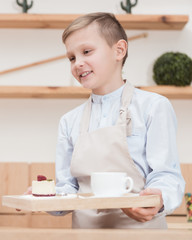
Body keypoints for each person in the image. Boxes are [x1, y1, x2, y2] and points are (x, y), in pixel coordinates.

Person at [52, 12, 185, 228]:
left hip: (142, 232)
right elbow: (67, 189)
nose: (78, 63)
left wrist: (157, 199)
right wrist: (44, 197)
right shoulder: (69, 121)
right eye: (72, 58)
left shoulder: (153, 107)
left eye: (87, 51)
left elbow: (166, 175)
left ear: (119, 50)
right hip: (86, 234)